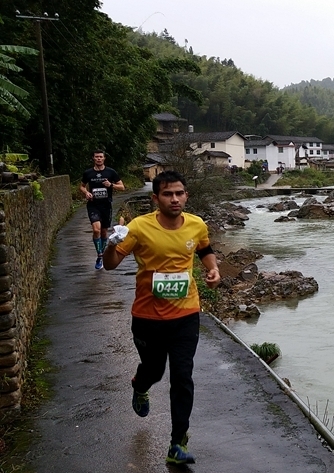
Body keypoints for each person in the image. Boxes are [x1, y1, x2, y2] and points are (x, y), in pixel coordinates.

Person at [102, 170, 220, 466]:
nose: (175, 199)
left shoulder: (196, 224)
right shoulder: (139, 227)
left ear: (186, 195)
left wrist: (212, 269)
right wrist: (110, 243)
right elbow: (112, 265)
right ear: (156, 198)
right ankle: (140, 385)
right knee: (154, 371)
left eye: (179, 193)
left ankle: (177, 443)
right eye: (168, 194)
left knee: (182, 376)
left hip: (186, 314)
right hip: (147, 316)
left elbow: (204, 248)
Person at [79, 150, 124, 270]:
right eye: (96, 157)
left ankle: (102, 255)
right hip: (93, 205)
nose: (98, 159)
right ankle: (100, 255)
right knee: (96, 229)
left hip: (106, 205)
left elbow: (122, 187)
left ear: (104, 159)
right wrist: (86, 192)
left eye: (101, 157)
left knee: (104, 232)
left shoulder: (110, 172)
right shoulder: (88, 173)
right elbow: (82, 186)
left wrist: (111, 185)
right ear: (93, 159)